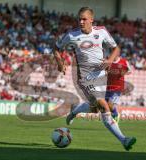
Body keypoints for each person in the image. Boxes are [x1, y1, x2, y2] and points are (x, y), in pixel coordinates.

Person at [54, 7, 136, 151]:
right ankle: (124, 140)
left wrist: (110, 60)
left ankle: (75, 111)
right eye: (79, 19)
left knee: (94, 109)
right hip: (85, 78)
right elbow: (56, 48)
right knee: (103, 105)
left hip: (100, 76)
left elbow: (116, 48)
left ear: (91, 20)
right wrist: (60, 63)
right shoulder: (72, 35)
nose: (81, 21)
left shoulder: (101, 31)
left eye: (84, 19)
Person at [105, 56, 132, 123]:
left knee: (111, 103)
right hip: (108, 86)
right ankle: (114, 114)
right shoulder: (109, 61)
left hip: (118, 86)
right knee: (106, 103)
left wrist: (122, 73)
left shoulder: (123, 61)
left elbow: (129, 71)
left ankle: (115, 116)